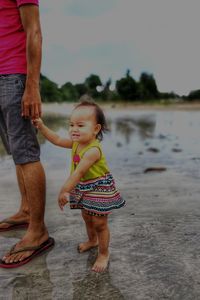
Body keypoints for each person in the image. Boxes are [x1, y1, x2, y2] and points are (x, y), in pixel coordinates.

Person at [33, 100, 126, 272]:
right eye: (71, 124)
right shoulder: (76, 143)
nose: (74, 129)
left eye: (80, 125)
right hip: (84, 187)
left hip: (98, 188)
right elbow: (58, 139)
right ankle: (92, 240)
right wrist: (42, 126)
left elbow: (78, 173)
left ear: (96, 129)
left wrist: (64, 190)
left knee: (99, 223)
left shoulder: (93, 150)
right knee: (87, 217)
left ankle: (104, 253)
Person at [0, 0, 54, 268]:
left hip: (14, 75)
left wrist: (32, 85)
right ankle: (26, 211)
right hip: (2, 76)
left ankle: (38, 230)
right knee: (15, 151)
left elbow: (34, 31)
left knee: (26, 154)